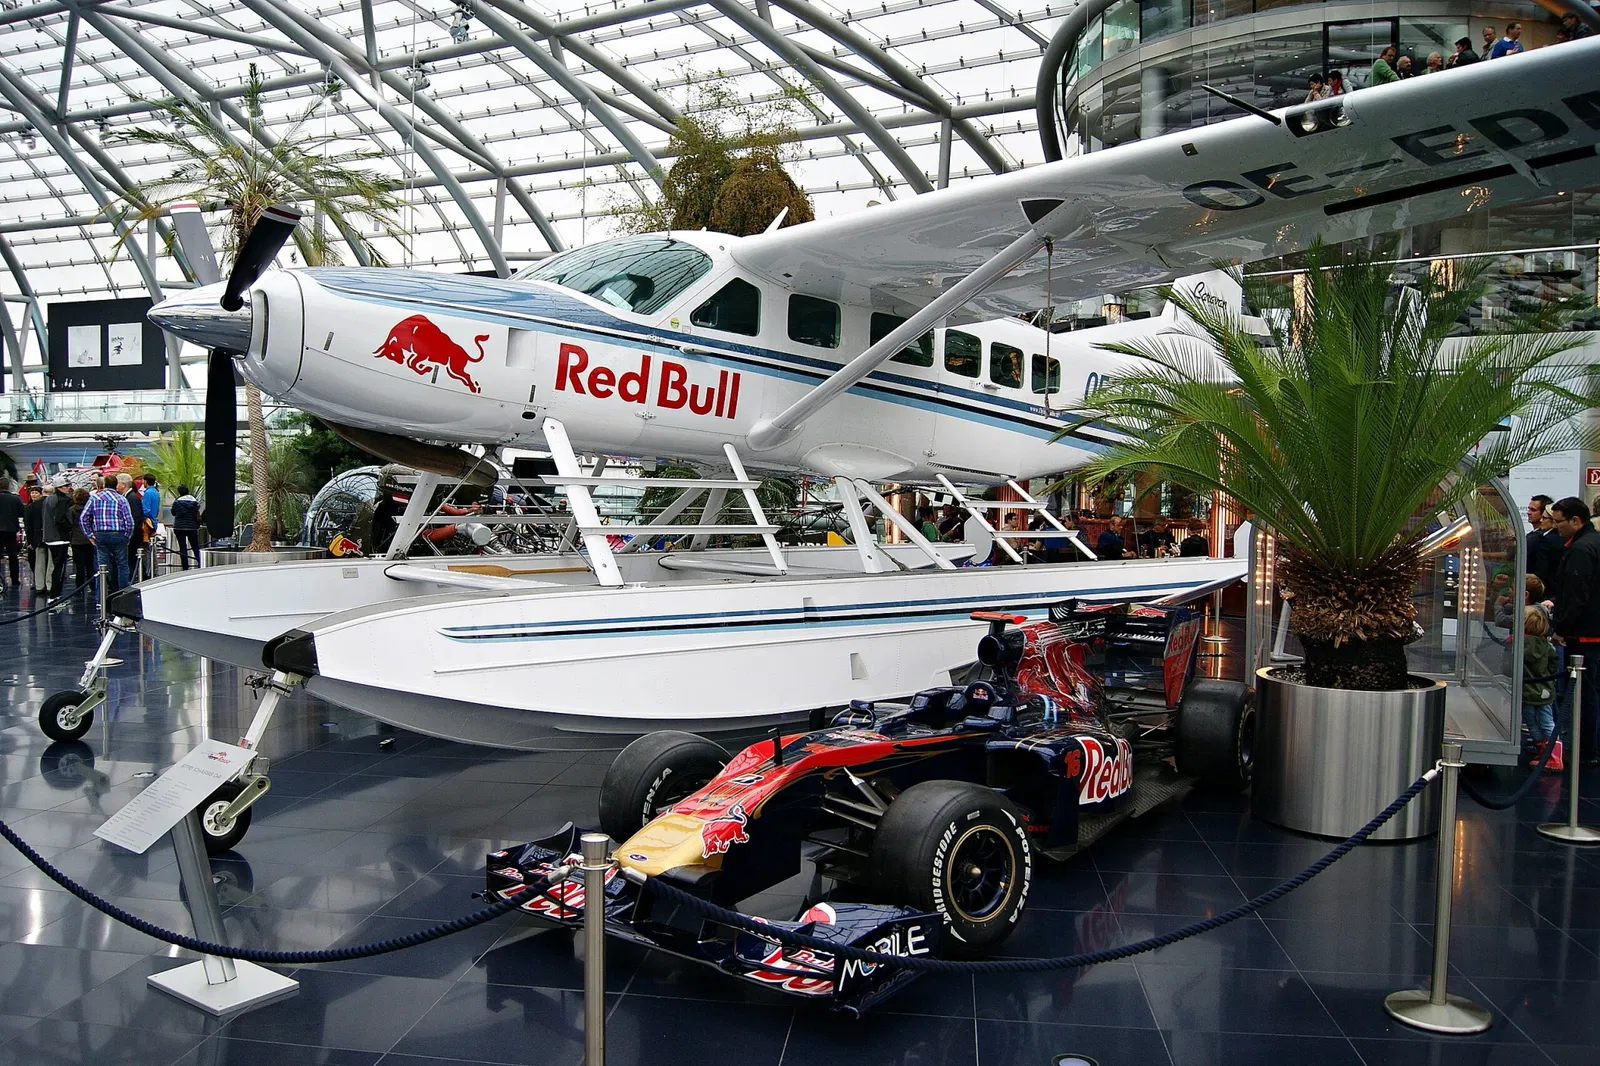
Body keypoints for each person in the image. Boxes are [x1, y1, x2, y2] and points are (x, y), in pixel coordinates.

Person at [1550, 496, 1600, 763]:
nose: (1556, 527)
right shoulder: (1591, 543)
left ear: (1576, 520)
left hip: (1583, 633)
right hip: (1591, 630)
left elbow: (1576, 594)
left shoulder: (1581, 550)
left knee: (1585, 692)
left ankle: (1586, 751)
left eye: (1559, 522)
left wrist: (1562, 627)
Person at [1523, 607, 1563, 771]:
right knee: (1547, 722)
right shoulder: (1548, 647)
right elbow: (1554, 666)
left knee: (1532, 722)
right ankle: (1552, 753)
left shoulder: (1520, 645)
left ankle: (1544, 751)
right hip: (1545, 691)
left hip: (1527, 691)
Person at [80, 473, 133, 594]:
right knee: (122, 566)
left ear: (104, 485)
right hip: (118, 534)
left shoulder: (95, 498)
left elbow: (83, 518)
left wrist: (89, 535)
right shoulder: (121, 499)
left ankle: (101, 598)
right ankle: (123, 594)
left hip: (101, 534)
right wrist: (128, 536)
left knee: (102, 567)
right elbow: (129, 520)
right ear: (116, 485)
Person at [42, 475, 72, 598]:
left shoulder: (49, 499)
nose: (69, 488)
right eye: (66, 486)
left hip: (50, 537)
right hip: (60, 538)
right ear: (60, 487)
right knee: (59, 569)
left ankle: (55, 595)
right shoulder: (62, 500)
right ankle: (55, 596)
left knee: (56, 567)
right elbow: (60, 519)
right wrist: (70, 528)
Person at [1527, 495, 1564, 593]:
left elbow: (1541, 571)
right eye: (1528, 509)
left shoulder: (1544, 540)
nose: (1528, 512)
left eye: (1533, 510)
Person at [117, 473, 145, 579]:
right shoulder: (128, 497)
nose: (116, 485)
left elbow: (136, 518)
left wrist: (130, 535)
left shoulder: (131, 498)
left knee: (132, 560)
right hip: (132, 534)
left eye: (118, 483)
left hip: (133, 536)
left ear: (124, 485)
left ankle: (136, 578)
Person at [68, 487, 94, 596]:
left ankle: (79, 587)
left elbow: (70, 524)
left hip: (76, 540)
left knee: (79, 565)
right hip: (89, 539)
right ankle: (92, 585)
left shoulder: (71, 510)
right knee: (90, 564)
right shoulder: (89, 509)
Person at [23, 478, 48, 593]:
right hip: (34, 538)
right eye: (32, 492)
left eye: (36, 492)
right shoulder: (29, 507)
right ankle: (38, 583)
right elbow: (28, 525)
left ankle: (41, 584)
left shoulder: (41, 506)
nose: (33, 494)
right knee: (34, 561)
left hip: (41, 537)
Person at [170, 485, 202, 570]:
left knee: (182, 547)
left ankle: (185, 567)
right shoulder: (194, 502)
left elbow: (173, 512)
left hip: (179, 527)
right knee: (195, 546)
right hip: (192, 527)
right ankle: (200, 563)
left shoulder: (177, 502)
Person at [0, 477, 22, 589]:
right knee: (13, 555)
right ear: (8, 486)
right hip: (11, 529)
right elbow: (22, 513)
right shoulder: (15, 499)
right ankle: (15, 580)